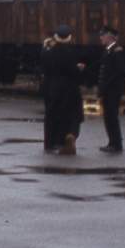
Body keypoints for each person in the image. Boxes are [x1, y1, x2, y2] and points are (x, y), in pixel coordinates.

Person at [40, 24, 84, 155]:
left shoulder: (48, 52)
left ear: (56, 37)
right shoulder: (71, 52)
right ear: (69, 37)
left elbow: (44, 67)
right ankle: (66, 138)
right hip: (69, 89)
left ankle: (49, 143)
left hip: (51, 88)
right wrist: (79, 69)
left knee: (51, 115)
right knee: (71, 114)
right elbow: (73, 72)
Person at [96, 24, 125, 154]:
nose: (101, 38)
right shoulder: (108, 50)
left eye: (102, 36)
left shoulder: (116, 51)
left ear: (109, 37)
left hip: (112, 91)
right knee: (108, 118)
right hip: (109, 90)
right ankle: (112, 142)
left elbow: (119, 73)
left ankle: (116, 144)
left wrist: (104, 89)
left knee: (112, 117)